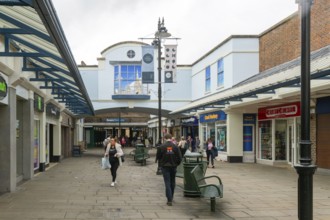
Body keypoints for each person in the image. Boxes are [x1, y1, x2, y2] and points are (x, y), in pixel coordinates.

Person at [156, 133, 182, 206]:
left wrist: (161, 164)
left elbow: (158, 157)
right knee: (172, 182)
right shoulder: (175, 147)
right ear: (171, 138)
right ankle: (171, 196)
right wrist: (176, 164)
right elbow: (180, 158)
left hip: (165, 167)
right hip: (173, 166)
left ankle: (169, 199)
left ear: (164, 138)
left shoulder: (162, 147)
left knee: (167, 182)